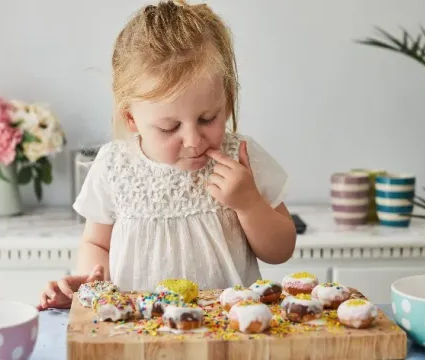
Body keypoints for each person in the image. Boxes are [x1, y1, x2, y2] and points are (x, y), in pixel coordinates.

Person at [37, 0, 296, 310]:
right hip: (140, 337)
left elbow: (281, 250)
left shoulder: (241, 160)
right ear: (131, 119)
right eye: (169, 127)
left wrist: (249, 203)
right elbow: (96, 243)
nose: (192, 140)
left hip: (228, 336)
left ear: (226, 101)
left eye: (207, 119)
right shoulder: (113, 166)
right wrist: (92, 281)